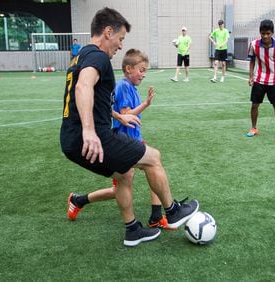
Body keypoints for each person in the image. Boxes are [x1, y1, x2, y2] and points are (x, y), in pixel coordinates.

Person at [60, 7, 199, 247]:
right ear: (107, 32)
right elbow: (83, 88)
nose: (121, 45)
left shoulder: (80, 56)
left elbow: (90, 95)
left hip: (70, 141)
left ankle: (133, 230)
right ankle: (173, 212)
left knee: (125, 174)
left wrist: (118, 116)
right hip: (93, 137)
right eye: (120, 38)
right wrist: (89, 130)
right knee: (153, 158)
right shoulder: (99, 56)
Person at [67, 48, 172, 230]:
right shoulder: (123, 86)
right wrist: (145, 105)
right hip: (123, 142)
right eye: (141, 70)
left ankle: (156, 216)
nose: (143, 74)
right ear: (128, 69)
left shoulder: (130, 87)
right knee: (122, 186)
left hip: (134, 139)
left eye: (145, 70)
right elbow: (125, 114)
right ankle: (79, 200)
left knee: (153, 168)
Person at [246, 19, 275, 140]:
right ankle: (254, 128)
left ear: (272, 32)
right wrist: (251, 76)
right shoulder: (254, 45)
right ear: (260, 32)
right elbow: (252, 61)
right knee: (254, 105)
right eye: (263, 33)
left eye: (268, 33)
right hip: (259, 80)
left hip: (274, 80)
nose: (265, 36)